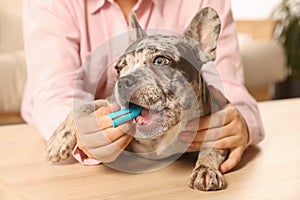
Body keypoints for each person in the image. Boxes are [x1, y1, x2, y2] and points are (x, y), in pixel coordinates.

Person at [22, 0, 265, 173]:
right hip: (103, 168)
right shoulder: (50, 3)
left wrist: (240, 122)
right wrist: (84, 132)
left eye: (160, 62)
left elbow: (230, 85)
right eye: (121, 69)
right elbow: (52, 90)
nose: (127, 78)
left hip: (180, 163)